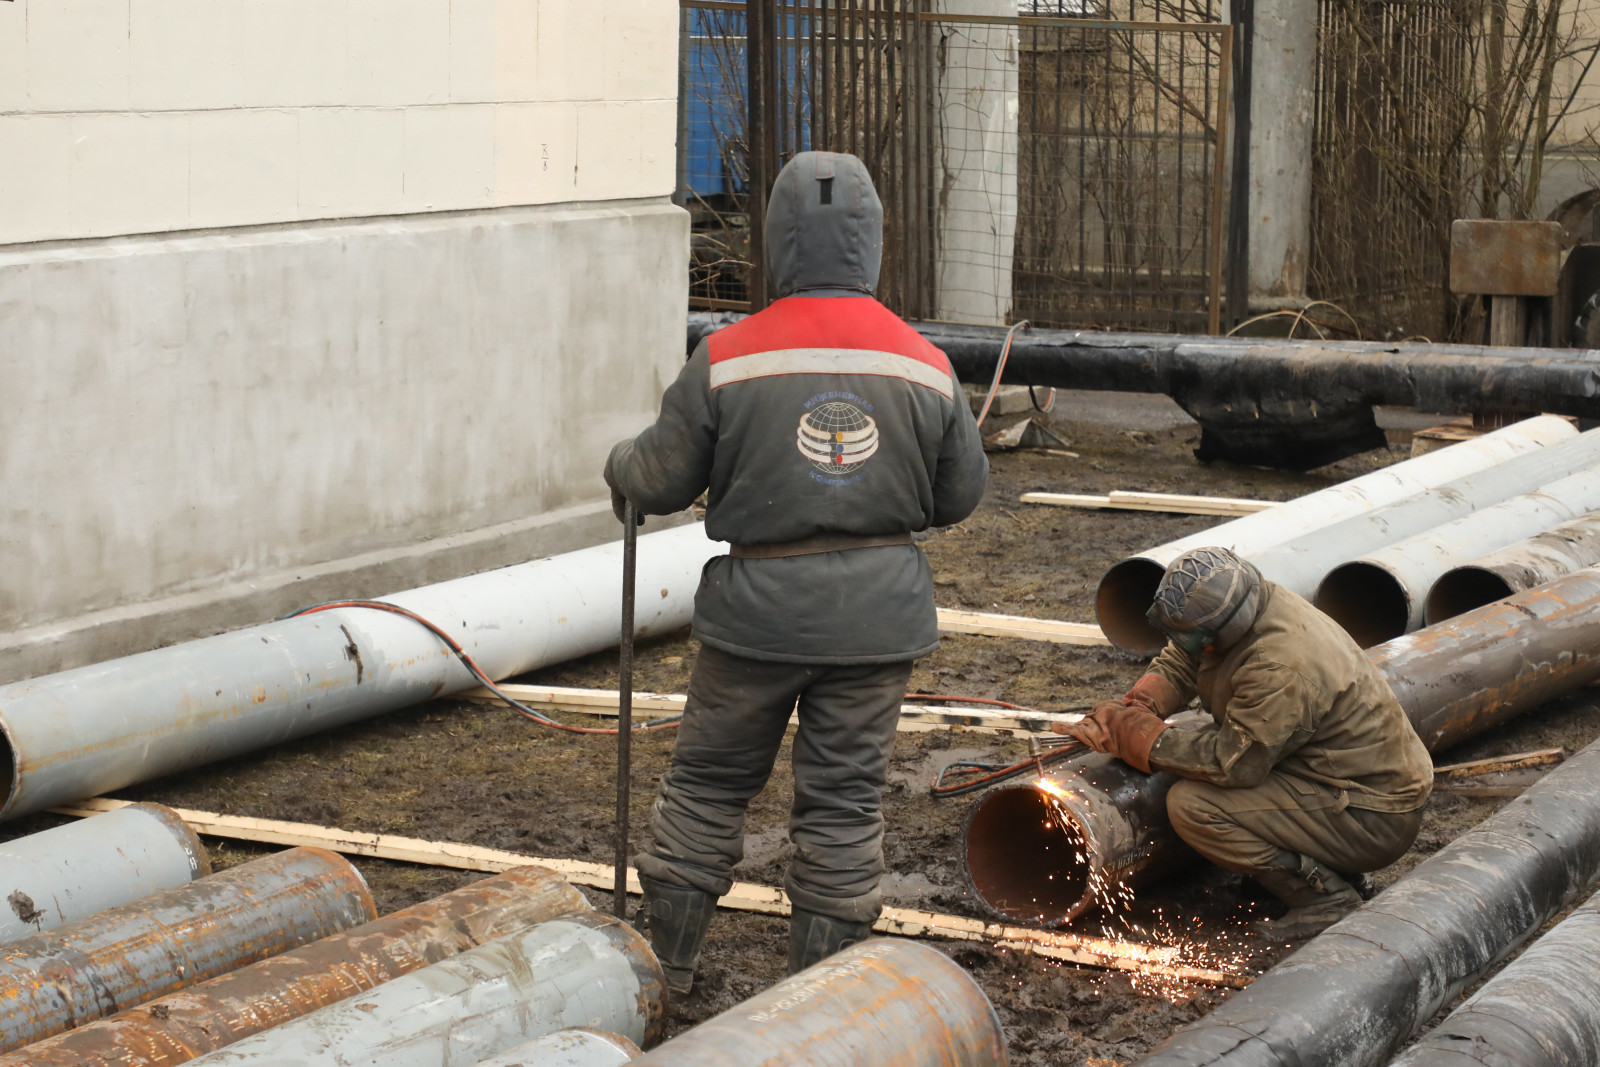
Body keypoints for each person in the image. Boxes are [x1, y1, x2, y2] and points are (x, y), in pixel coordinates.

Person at [603, 150, 988, 993]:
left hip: (757, 618)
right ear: (870, 243)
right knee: (846, 801)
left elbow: (658, 478)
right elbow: (961, 496)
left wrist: (621, 464)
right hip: (876, 621)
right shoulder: (925, 363)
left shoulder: (728, 356)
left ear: (777, 241)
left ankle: (667, 973)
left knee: (707, 782)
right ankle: (816, 999)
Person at [1058, 547, 1432, 940]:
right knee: (1194, 742)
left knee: (1194, 806)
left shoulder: (1280, 664)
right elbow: (1187, 654)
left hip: (1370, 815)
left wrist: (1140, 738)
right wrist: (1142, 704)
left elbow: (1233, 765)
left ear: (1224, 629)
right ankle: (1314, 862)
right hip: (1333, 779)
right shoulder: (1245, 602)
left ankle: (1326, 898)